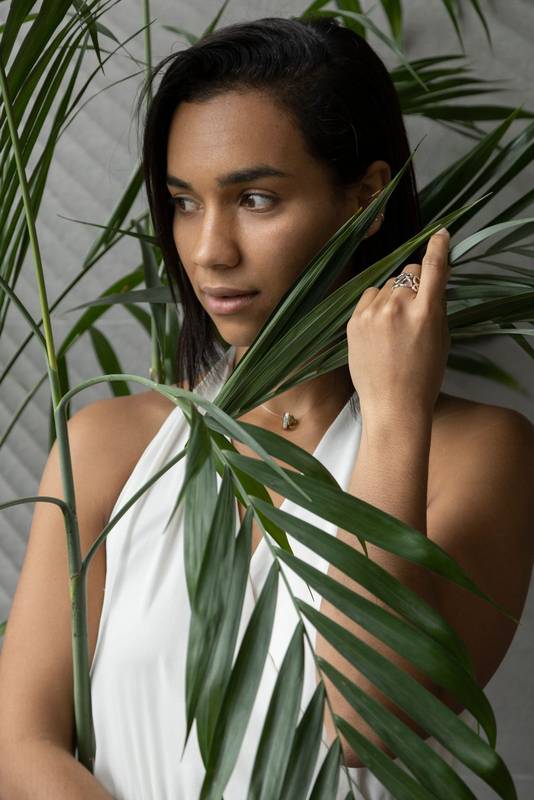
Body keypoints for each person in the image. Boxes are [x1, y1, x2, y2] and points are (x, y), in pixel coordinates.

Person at [0, 13, 533, 800]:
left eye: (254, 198)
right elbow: (19, 747)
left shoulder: (476, 449)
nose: (209, 249)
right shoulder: (107, 446)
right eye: (184, 201)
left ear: (366, 198)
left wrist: (392, 413)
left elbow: (369, 720)